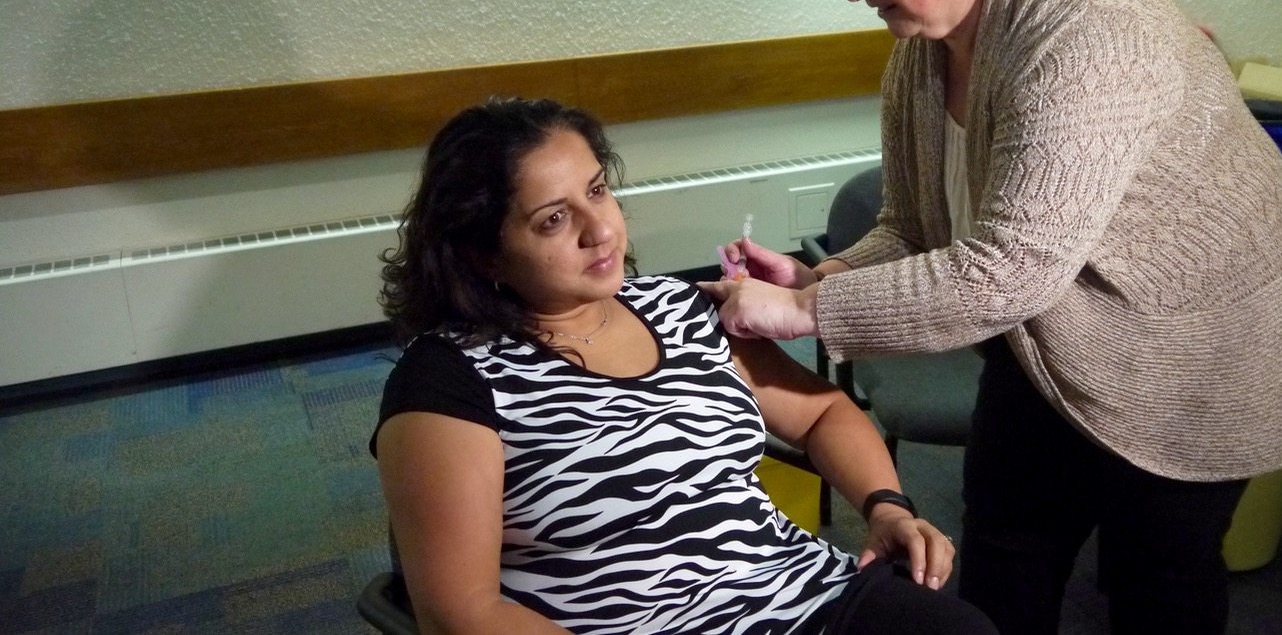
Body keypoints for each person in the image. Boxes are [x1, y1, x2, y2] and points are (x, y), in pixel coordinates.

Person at [699, 0, 1282, 635]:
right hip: (1056, 328)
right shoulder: (923, 51)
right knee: (1005, 554)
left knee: (1157, 577)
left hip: (1202, 340)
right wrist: (821, 277)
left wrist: (806, 313)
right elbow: (914, 226)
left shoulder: (1084, 30)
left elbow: (1004, 272)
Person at [370, 97, 997, 635]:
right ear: (484, 254)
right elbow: (463, 613)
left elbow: (823, 412)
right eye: (554, 219)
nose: (601, 230)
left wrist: (887, 507)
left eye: (597, 191)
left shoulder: (679, 306)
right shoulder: (447, 382)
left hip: (799, 597)